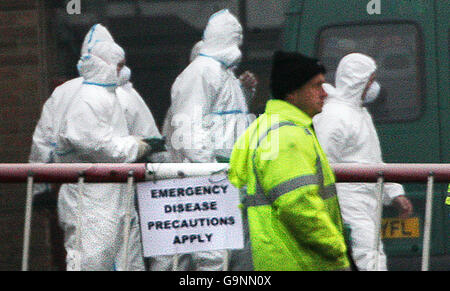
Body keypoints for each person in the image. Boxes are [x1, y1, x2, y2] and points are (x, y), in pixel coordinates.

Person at [228, 51, 351, 271]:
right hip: (294, 259)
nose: (324, 94)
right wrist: (336, 248)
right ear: (292, 93)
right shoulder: (287, 135)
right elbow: (298, 204)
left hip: (271, 255)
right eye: (316, 86)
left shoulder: (264, 126)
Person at [158, 9, 257, 271]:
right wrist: (212, 169)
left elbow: (229, 123)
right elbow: (189, 129)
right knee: (213, 256)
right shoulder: (201, 73)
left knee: (232, 255)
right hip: (211, 181)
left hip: (229, 179)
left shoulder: (223, 74)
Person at [29, 23, 161, 197]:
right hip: (113, 186)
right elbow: (149, 139)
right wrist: (163, 176)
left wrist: (40, 191)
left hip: (72, 185)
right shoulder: (122, 94)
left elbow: (43, 143)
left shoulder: (62, 92)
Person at [54, 40, 152, 271]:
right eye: (119, 66)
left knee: (126, 259)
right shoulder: (86, 98)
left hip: (112, 196)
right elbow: (93, 143)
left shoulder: (107, 96)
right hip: (91, 199)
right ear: (105, 65)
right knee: (91, 259)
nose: (122, 71)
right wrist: (134, 147)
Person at [313, 53, 414, 271]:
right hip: (347, 200)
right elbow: (321, 164)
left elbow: (372, 160)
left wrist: (394, 192)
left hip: (366, 199)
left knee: (372, 254)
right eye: (370, 80)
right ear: (358, 81)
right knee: (365, 256)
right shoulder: (334, 115)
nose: (373, 86)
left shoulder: (358, 113)